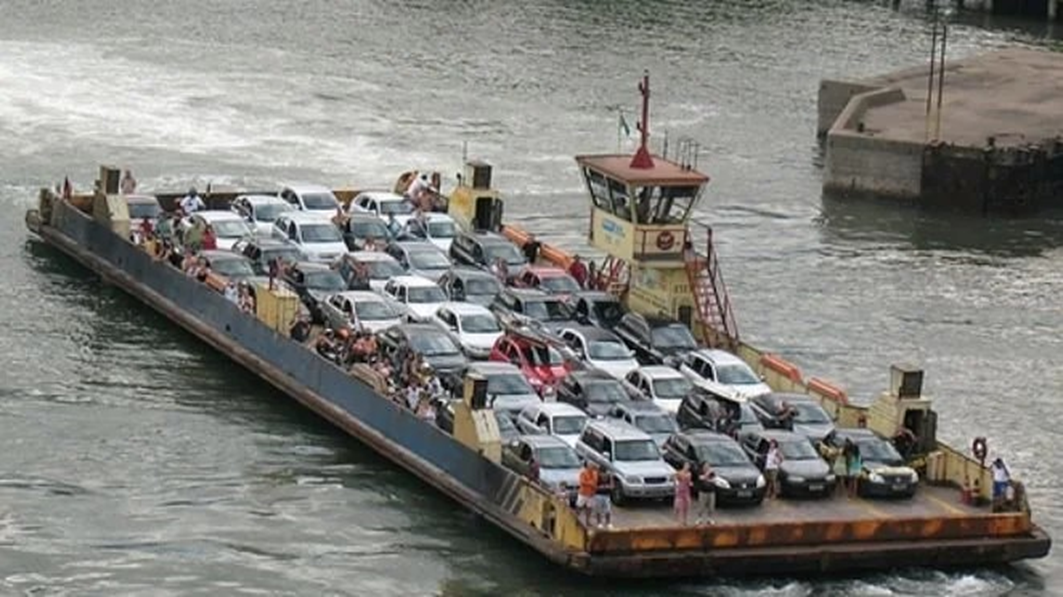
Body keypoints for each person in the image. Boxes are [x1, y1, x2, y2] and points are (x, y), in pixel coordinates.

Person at [576, 461, 599, 527]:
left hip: (591, 494)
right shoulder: (583, 472)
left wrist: (594, 488)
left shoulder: (595, 473)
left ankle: (588, 521)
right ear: (587, 466)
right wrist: (590, 483)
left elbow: (596, 482)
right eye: (590, 465)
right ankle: (576, 519)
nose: (592, 466)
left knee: (589, 508)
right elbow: (582, 482)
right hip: (583, 493)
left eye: (592, 465)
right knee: (579, 507)